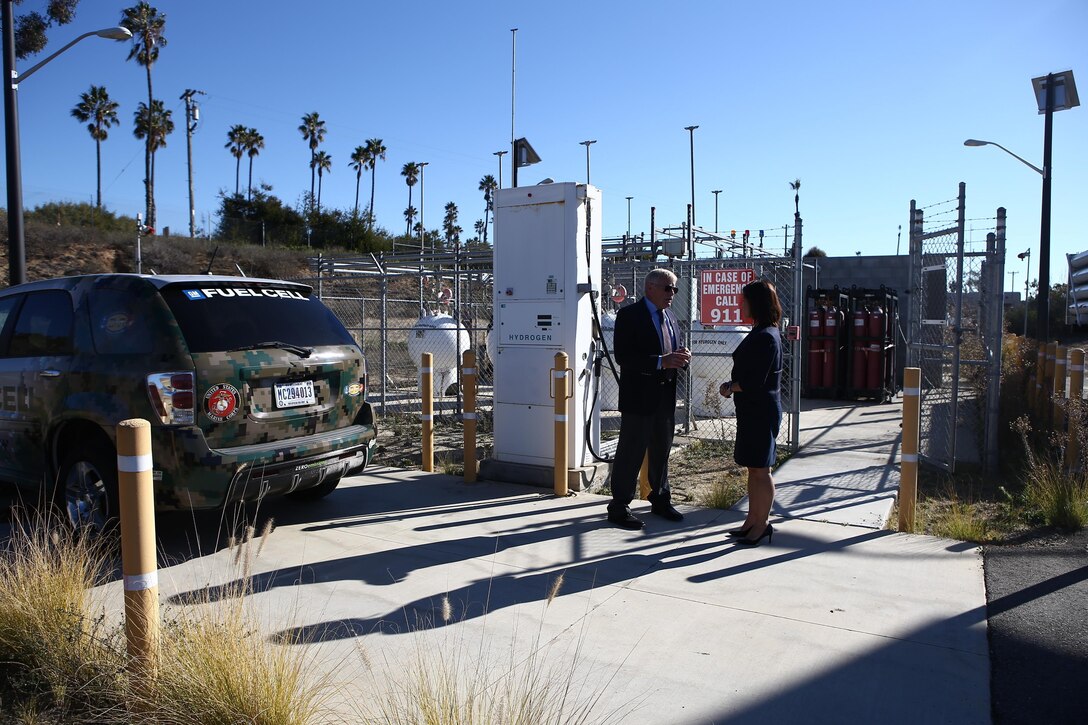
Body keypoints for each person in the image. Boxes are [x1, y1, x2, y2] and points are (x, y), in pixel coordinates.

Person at [607, 268, 692, 529]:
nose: (672, 294)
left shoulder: (671, 318)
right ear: (650, 288)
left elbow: (669, 351)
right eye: (668, 288)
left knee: (661, 450)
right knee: (631, 451)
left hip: (665, 397)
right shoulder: (629, 316)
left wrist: (681, 357)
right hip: (639, 397)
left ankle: (660, 498)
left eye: (675, 289)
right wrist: (660, 361)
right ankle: (619, 506)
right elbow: (624, 357)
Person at [719, 279, 783, 546]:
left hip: (760, 411)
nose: (740, 303)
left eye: (744, 299)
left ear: (755, 302)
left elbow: (755, 380)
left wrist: (730, 387)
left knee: (761, 470)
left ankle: (762, 524)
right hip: (752, 411)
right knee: (754, 469)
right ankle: (751, 520)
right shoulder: (762, 331)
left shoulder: (767, 336)